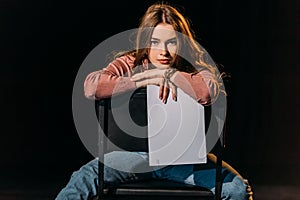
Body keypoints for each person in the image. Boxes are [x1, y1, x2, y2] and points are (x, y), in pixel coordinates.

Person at [56, 2, 253, 200]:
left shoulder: (194, 67)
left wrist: (170, 73)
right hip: (135, 157)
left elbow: (207, 92)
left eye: (172, 43)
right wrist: (140, 78)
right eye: (155, 42)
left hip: (185, 162)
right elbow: (92, 86)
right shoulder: (131, 62)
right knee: (83, 179)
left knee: (238, 190)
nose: (163, 51)